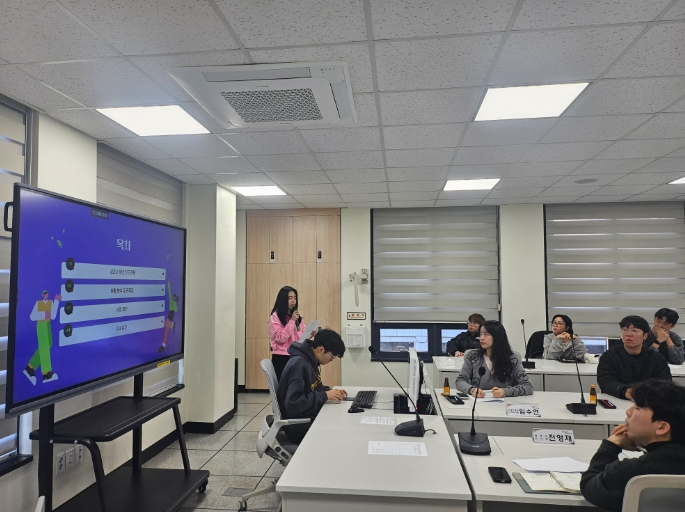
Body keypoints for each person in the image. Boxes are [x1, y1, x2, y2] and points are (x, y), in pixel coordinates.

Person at [580, 379, 685, 512]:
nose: (628, 411)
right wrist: (645, 446)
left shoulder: (636, 471)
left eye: (638, 407)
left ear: (662, 427)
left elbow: (590, 485)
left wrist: (611, 446)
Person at [276, 329, 347, 444]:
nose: (331, 360)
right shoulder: (299, 364)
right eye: (331, 357)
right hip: (299, 427)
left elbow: (312, 388)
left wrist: (329, 391)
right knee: (341, 430)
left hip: (307, 417)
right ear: (320, 349)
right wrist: (324, 395)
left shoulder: (310, 359)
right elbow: (294, 404)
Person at [597, 315, 671, 400]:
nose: (628, 334)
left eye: (634, 330)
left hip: (647, 402)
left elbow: (665, 383)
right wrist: (627, 391)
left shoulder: (657, 358)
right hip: (616, 400)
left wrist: (643, 393)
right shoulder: (609, 356)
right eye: (625, 329)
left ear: (645, 336)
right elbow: (605, 382)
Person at [456, 320, 533, 398]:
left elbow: (528, 386)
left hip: (505, 403)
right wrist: (471, 390)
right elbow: (460, 380)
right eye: (480, 334)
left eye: (486, 334)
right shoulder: (472, 356)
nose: (481, 338)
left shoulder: (512, 358)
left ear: (497, 337)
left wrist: (505, 392)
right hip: (478, 402)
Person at [269, 286, 307, 382]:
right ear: (283, 299)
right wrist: (292, 321)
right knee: (285, 385)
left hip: (296, 354)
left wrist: (310, 333)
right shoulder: (275, 317)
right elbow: (280, 338)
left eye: (295, 298)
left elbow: (301, 336)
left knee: (298, 383)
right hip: (282, 357)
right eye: (290, 298)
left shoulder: (297, 316)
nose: (293, 301)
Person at [25, 290, 62, 385]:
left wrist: (56, 301)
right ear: (43, 295)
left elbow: (53, 316)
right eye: (45, 294)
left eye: (47, 294)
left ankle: (30, 367)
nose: (46, 295)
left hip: (47, 324)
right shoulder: (39, 303)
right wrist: (43, 315)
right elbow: (32, 316)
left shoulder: (50, 302)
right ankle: (46, 373)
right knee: (44, 346)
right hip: (41, 325)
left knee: (49, 343)